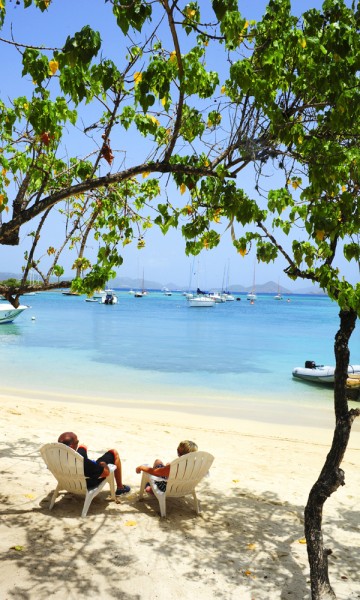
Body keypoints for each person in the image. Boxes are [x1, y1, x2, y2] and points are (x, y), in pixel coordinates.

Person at [57, 431, 130, 496]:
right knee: (114, 452)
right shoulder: (83, 462)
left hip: (68, 482)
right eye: (77, 442)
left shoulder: (54, 458)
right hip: (86, 483)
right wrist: (105, 466)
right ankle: (120, 488)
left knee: (83, 449)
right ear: (71, 446)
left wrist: (82, 450)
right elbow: (106, 473)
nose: (78, 443)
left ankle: (84, 449)